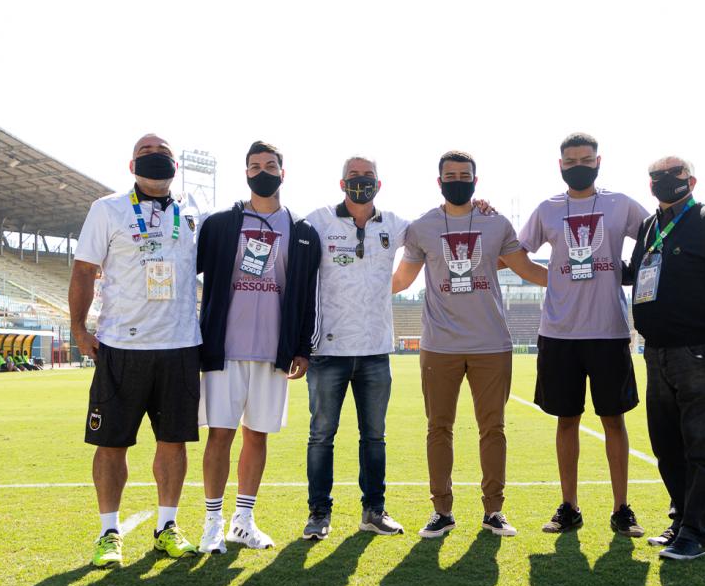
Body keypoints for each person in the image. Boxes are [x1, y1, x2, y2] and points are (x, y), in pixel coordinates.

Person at [391, 150, 546, 539]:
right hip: (439, 344)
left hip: (491, 343)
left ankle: (494, 511)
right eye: (451, 175)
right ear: (439, 181)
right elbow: (401, 280)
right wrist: (351, 283)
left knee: (492, 427)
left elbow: (526, 269)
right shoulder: (422, 227)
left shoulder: (496, 223)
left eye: (465, 174)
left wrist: (578, 277)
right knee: (438, 427)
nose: (458, 180)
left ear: (476, 181)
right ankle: (441, 511)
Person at [70, 133, 201, 566]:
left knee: (174, 442)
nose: (155, 157)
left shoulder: (194, 213)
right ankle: (109, 532)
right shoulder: (106, 209)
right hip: (121, 346)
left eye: (163, 152)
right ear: (131, 166)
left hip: (180, 345)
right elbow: (85, 271)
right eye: (145, 152)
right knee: (111, 444)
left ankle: (167, 526)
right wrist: (77, 326)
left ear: (175, 166)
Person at [518, 132, 648, 537]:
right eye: (570, 160)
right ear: (560, 165)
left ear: (598, 161)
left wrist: (632, 274)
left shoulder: (619, 203)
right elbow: (516, 252)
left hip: (608, 331)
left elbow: (654, 236)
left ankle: (622, 508)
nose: (578, 165)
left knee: (614, 421)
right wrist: (552, 280)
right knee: (566, 421)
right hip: (559, 333)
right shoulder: (547, 209)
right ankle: (569, 506)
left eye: (585, 159)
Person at [195, 141, 321, 553]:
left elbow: (306, 296)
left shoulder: (301, 232)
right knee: (220, 436)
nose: (262, 171)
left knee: (258, 436)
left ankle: (243, 520)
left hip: (273, 352)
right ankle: (212, 522)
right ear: (245, 173)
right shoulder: (218, 224)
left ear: (283, 172)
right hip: (224, 350)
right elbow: (185, 269)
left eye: (270, 165)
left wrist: (302, 347)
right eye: (254, 166)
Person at [628, 156, 705, 561]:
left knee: (700, 444)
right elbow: (633, 273)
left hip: (699, 350)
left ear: (691, 180)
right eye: (656, 178)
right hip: (656, 351)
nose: (663, 183)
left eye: (673, 177)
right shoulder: (649, 227)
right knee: (666, 444)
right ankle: (681, 518)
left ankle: (697, 533)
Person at [301, 157, 411, 539]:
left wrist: (475, 208)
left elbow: (434, 234)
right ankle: (319, 513)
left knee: (375, 437)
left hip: (376, 351)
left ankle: (373, 511)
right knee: (321, 435)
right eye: (353, 178)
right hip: (327, 351)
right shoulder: (318, 220)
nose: (359, 184)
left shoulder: (394, 224)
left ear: (378, 184)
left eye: (366, 179)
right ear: (341, 183)